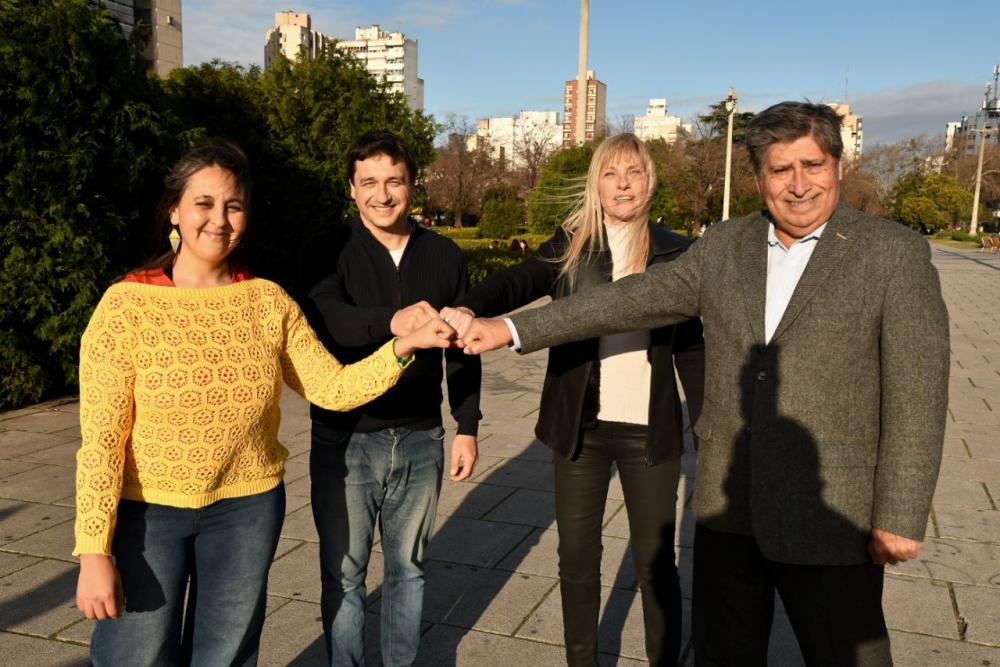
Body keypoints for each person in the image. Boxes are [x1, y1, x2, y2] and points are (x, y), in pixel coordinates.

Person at [460, 102, 950, 666]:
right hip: (728, 510)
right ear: (759, 176)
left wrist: (901, 513)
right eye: (780, 169)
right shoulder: (724, 245)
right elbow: (629, 299)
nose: (798, 185)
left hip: (830, 514)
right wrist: (511, 328)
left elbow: (919, 391)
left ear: (838, 166)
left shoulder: (892, 253)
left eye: (811, 165)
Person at [73, 138, 455, 666]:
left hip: (245, 511)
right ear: (174, 212)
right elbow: (102, 442)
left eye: (233, 205)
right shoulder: (126, 305)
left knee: (226, 655)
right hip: (148, 516)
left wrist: (402, 348)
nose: (219, 219)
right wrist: (93, 550)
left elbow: (331, 387)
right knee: (133, 656)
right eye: (203, 204)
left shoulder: (267, 301)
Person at [441, 133, 704, 666]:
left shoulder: (678, 252)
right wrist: (467, 308)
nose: (623, 183)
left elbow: (693, 350)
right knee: (577, 557)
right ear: (597, 184)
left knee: (656, 563)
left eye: (633, 172)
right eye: (611, 173)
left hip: (648, 429)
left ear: (650, 180)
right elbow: (516, 282)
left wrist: (709, 426)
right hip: (579, 427)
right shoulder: (574, 245)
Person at [301, 130, 481, 666]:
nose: (383, 194)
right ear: (352, 188)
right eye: (370, 182)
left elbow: (464, 350)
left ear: (411, 185)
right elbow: (330, 320)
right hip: (345, 439)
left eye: (394, 181)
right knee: (345, 574)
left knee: (408, 570)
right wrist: (394, 325)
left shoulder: (444, 255)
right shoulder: (326, 250)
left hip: (422, 438)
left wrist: (467, 425)